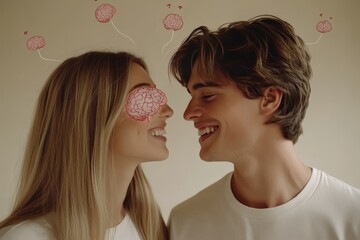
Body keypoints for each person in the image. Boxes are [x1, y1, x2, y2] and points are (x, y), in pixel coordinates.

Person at [167, 14, 360, 240]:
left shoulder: (352, 218)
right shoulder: (186, 223)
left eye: (207, 96)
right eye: (192, 95)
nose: (188, 113)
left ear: (269, 99)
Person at [0, 51, 173, 240]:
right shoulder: (24, 237)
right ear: (92, 117)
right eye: (145, 97)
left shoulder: (150, 228)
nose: (167, 111)